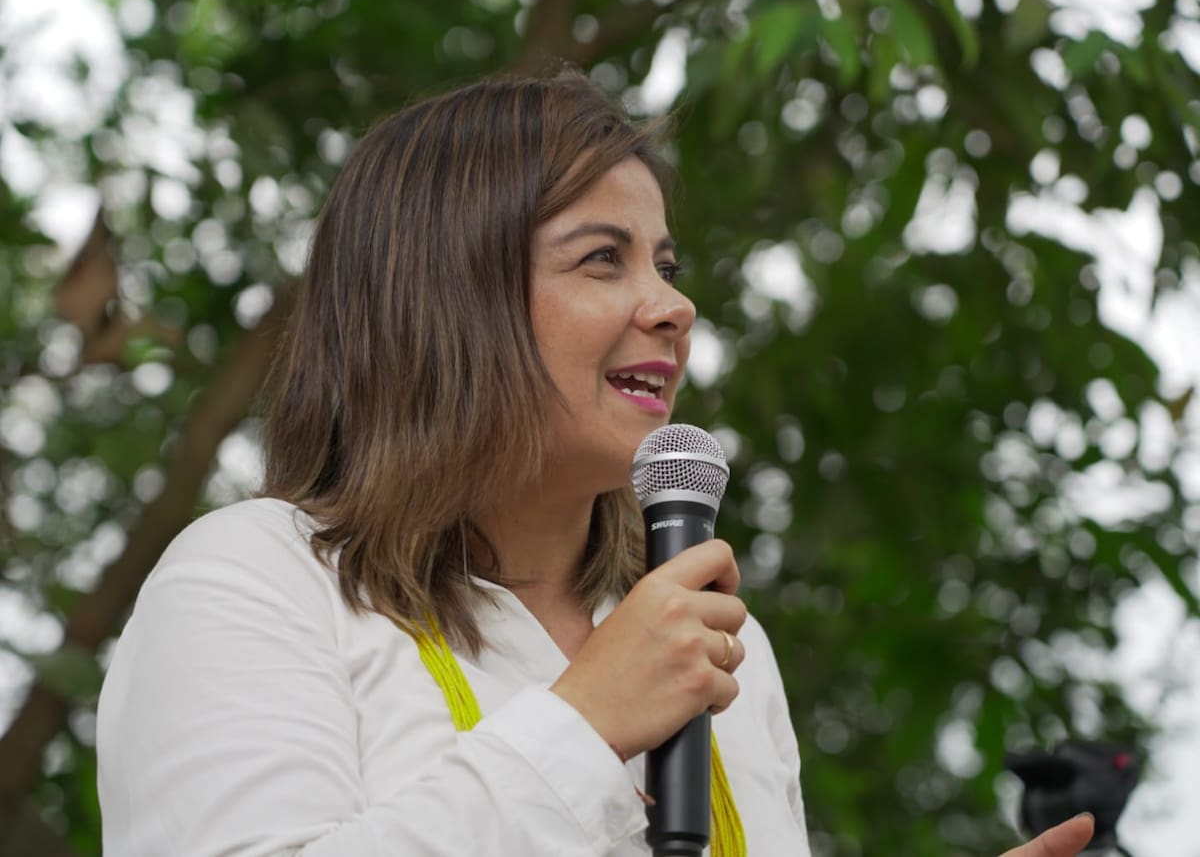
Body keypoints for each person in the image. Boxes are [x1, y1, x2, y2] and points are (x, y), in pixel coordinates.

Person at [95, 71, 1097, 857]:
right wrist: (586, 724)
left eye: (666, 264)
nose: (674, 307)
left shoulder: (718, 645)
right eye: (602, 259)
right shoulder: (256, 578)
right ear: (445, 302)